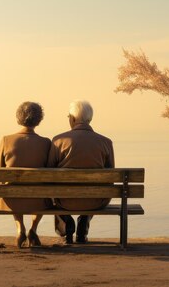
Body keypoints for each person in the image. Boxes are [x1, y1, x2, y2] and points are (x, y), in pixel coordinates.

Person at [47, 100, 115, 244]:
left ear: (72, 118)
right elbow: (111, 178)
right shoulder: (106, 142)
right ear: (90, 119)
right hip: (96, 201)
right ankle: (83, 225)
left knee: (51, 190)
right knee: (98, 190)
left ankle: (66, 228)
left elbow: (48, 174)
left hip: (64, 201)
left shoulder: (58, 141)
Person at [0, 101, 51, 248]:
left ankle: (20, 227)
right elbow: (51, 175)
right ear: (39, 119)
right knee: (42, 191)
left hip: (11, 200)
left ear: (19, 117)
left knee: (11, 189)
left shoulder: (6, 140)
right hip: (38, 200)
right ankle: (33, 229)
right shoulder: (46, 143)